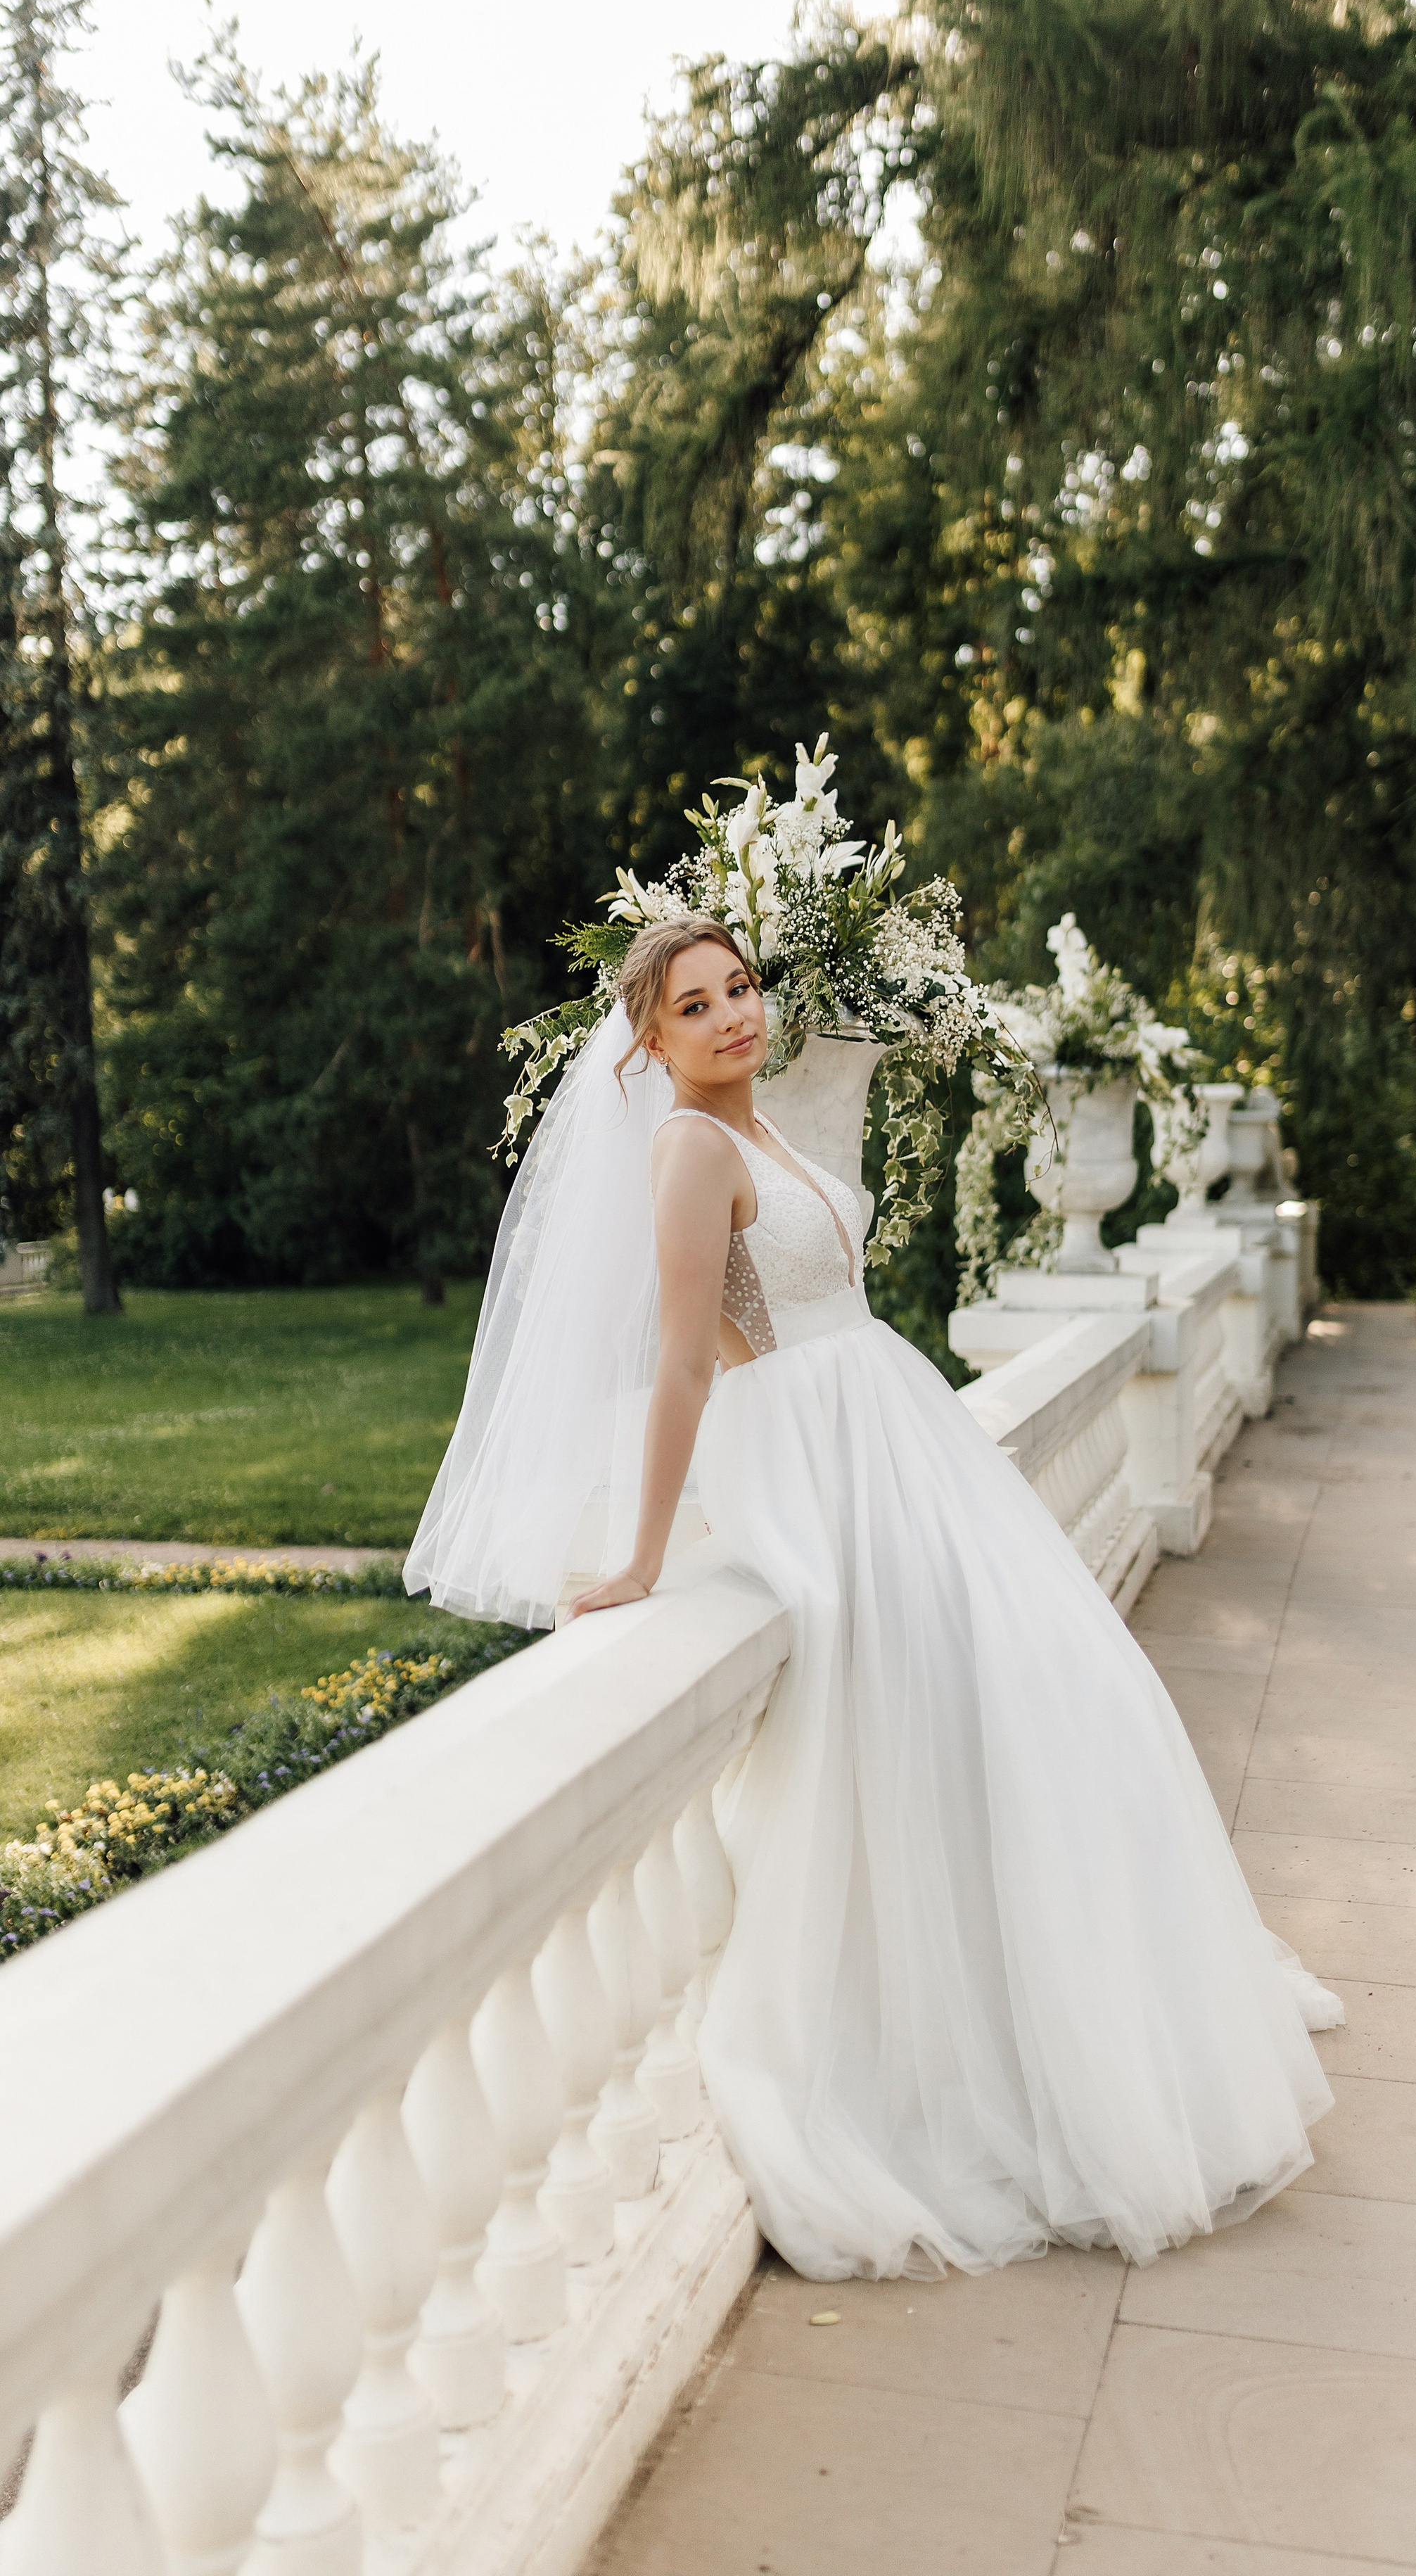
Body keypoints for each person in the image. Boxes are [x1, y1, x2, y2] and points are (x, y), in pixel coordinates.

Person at [407, 913, 1341, 2283]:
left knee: (1070, 1703)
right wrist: (643, 1561)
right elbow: (682, 1367)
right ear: (649, 1041)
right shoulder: (687, 1152)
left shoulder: (762, 1128)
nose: (731, 1014)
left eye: (740, 987)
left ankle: (1083, 2021)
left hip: (893, 1438)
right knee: (982, 1723)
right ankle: (984, 2077)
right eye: (694, 1004)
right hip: (813, 1458)